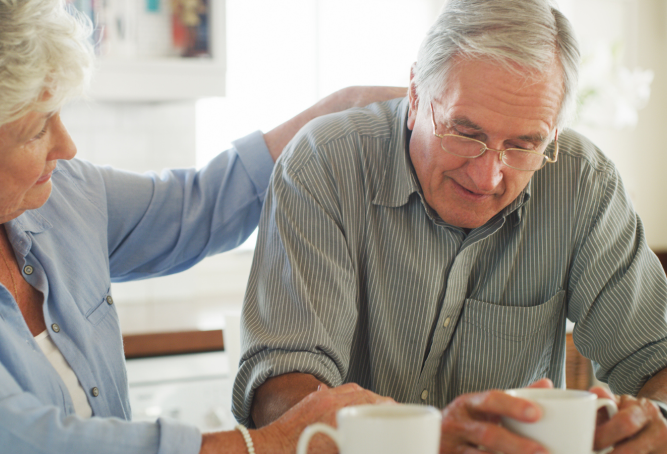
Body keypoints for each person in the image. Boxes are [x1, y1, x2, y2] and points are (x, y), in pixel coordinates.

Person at [0, 1, 402, 453]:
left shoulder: (61, 197)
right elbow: (17, 438)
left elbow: (196, 206)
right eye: (37, 131)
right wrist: (265, 445)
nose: (67, 146)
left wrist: (340, 108)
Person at [232, 0, 667, 452]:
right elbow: (280, 394)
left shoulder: (584, 184)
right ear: (416, 95)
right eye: (466, 134)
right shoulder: (325, 164)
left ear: (553, 134)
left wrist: (656, 421)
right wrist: (416, 440)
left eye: (523, 146)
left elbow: (656, 358)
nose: (488, 178)